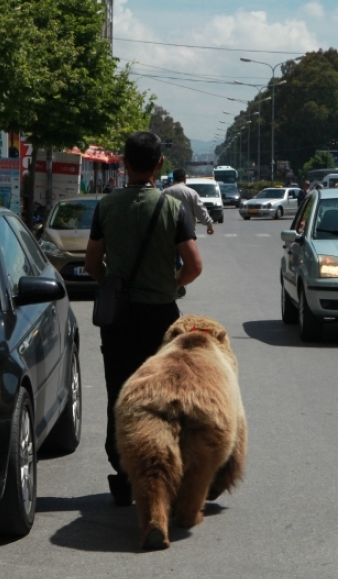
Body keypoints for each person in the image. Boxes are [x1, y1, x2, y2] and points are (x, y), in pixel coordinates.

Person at [84, 131, 203, 506]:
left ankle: (123, 471)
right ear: (159, 165)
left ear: (124, 162)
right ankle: (166, 468)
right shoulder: (172, 209)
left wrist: (111, 285)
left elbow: (91, 263)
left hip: (119, 318)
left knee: (122, 393)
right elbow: (195, 265)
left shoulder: (107, 206)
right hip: (161, 318)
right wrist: (171, 285)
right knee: (165, 396)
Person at [163, 168, 214, 236]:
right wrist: (209, 224)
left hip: (168, 232)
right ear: (185, 179)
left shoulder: (165, 193)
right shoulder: (191, 193)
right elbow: (200, 210)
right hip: (187, 232)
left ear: (173, 179)